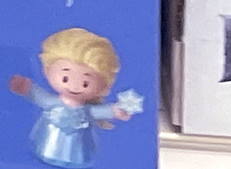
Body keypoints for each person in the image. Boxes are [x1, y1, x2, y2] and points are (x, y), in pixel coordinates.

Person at [8, 27, 142, 168]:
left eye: (85, 83)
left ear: (103, 87)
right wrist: (27, 89)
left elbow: (96, 112)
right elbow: (42, 99)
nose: (74, 87)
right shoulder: (53, 103)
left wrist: (115, 111)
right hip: (47, 144)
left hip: (77, 150)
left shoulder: (86, 111)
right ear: (47, 72)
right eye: (65, 78)